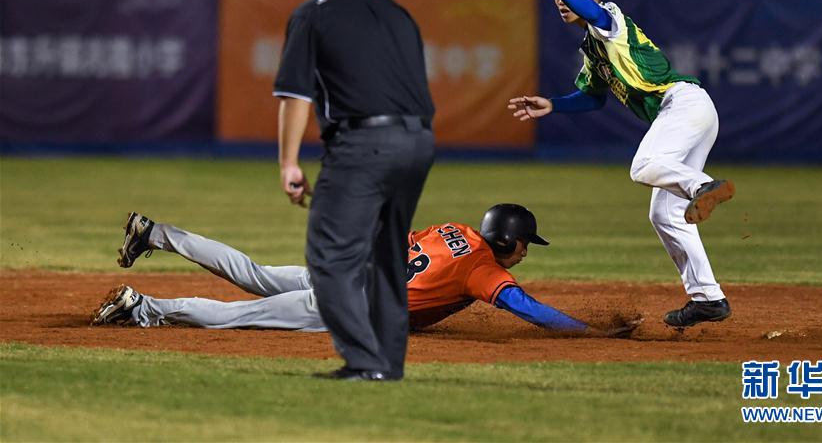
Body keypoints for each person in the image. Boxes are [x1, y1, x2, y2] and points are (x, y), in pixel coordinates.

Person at [508, 0, 735, 329]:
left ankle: (704, 186)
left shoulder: (610, 19)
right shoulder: (593, 48)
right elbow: (593, 97)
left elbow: (592, 12)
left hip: (682, 104)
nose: (560, 1)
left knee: (643, 166)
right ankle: (708, 298)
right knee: (663, 214)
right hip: (687, 113)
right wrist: (553, 104)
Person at [270, 0, 435, 380]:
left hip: (364, 143)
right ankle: (387, 365)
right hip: (419, 141)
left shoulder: (313, 13)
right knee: (387, 256)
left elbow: (294, 95)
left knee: (330, 257)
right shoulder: (399, 14)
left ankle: (364, 362)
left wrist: (288, 163)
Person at [92, 206, 603, 337]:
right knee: (238, 316)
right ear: (509, 241)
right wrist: (584, 332)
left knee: (251, 270)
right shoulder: (483, 270)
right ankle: (145, 307)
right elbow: (524, 307)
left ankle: (155, 232)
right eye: (524, 245)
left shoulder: (454, 229)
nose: (525, 253)